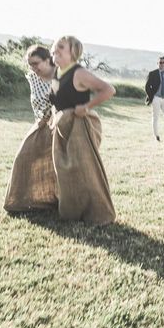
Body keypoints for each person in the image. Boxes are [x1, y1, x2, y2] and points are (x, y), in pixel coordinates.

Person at [50, 35, 116, 225]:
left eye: (61, 47)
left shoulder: (79, 73)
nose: (55, 49)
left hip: (79, 126)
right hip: (61, 126)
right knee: (65, 170)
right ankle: (72, 210)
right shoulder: (57, 72)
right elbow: (56, 99)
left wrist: (87, 106)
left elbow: (108, 90)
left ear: (73, 52)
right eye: (54, 47)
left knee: (85, 171)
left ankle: (99, 214)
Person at [3, 45, 58, 212]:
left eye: (36, 63)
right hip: (41, 124)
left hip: (59, 125)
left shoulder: (61, 76)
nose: (33, 68)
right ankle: (24, 200)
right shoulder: (34, 78)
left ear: (48, 59)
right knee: (24, 157)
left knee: (59, 165)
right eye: (30, 64)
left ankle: (63, 201)